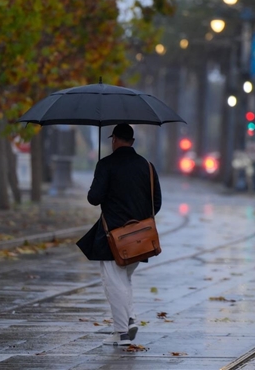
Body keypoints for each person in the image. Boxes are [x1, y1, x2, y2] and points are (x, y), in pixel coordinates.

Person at [76, 123, 162, 346]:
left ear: (114, 140)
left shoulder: (106, 165)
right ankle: (127, 322)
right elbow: (156, 203)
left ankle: (123, 332)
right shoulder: (148, 166)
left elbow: (94, 198)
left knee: (114, 282)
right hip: (140, 239)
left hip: (113, 238)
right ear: (132, 142)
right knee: (123, 280)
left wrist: (96, 181)